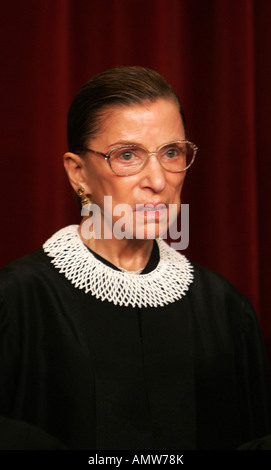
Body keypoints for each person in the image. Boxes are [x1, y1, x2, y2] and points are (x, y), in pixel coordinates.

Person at [0, 66, 271, 450]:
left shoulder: (225, 309)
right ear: (78, 173)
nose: (158, 180)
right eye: (127, 155)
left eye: (172, 152)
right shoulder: (18, 302)